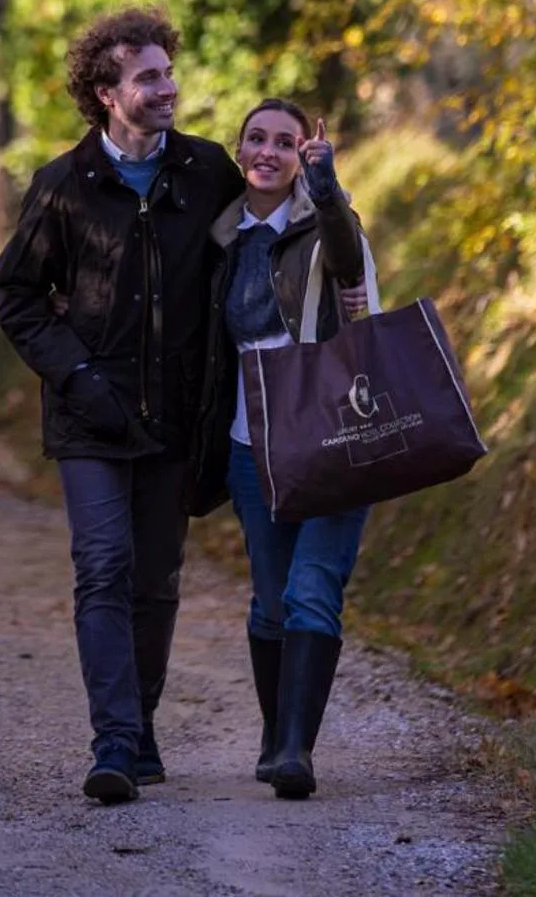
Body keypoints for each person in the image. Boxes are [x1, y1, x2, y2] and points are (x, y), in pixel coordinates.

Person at [0, 7, 244, 805]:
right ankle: (113, 742)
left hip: (178, 414)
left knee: (156, 579)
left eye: (169, 74)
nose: (168, 89)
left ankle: (137, 725)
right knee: (102, 569)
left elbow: (257, 251)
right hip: (89, 418)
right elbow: (19, 297)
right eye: (149, 78)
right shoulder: (62, 187)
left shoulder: (207, 172)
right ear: (106, 93)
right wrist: (77, 378)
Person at [190, 97, 378, 800]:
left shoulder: (328, 228)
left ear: (303, 153)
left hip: (335, 442)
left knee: (310, 591)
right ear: (239, 151)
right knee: (270, 601)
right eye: (255, 138)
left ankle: (297, 750)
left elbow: (346, 256)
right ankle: (274, 737)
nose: (267, 150)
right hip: (251, 448)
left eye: (284, 142)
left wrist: (325, 188)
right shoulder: (222, 240)